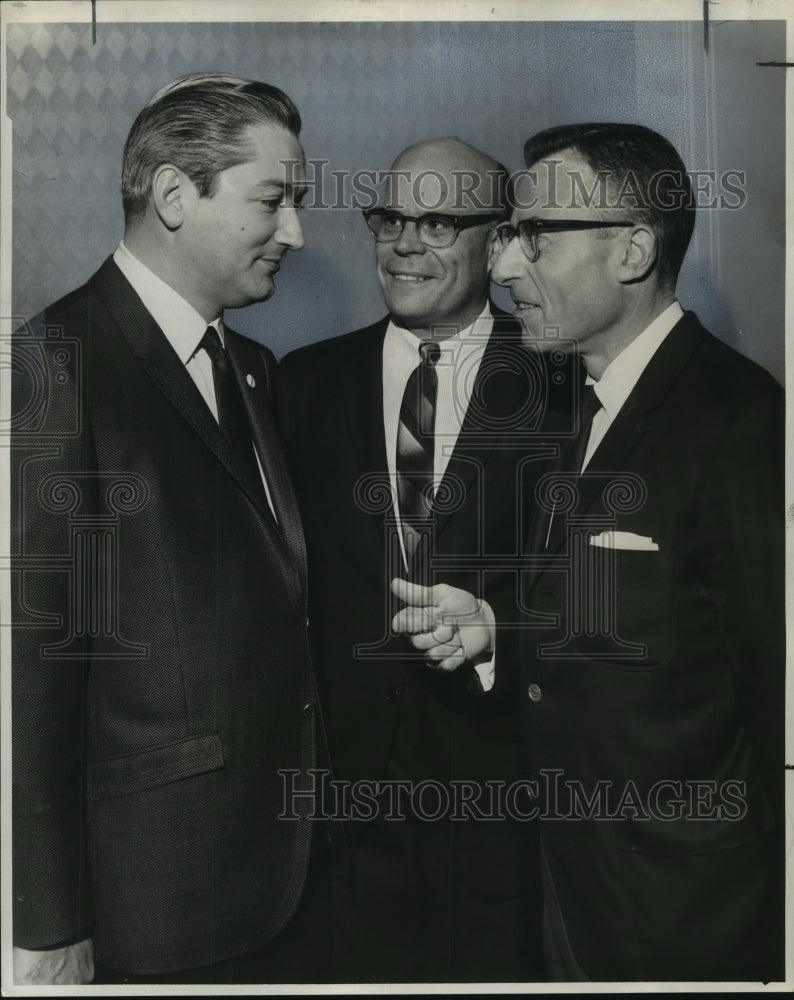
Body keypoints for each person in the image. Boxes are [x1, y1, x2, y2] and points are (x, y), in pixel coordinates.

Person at [400, 122, 785, 982]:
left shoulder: (742, 423)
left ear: (634, 250)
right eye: (506, 238)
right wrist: (501, 627)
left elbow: (777, 700)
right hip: (571, 899)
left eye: (536, 237)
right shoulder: (579, 406)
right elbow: (656, 620)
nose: (502, 269)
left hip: (692, 922)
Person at [11, 72, 324, 985]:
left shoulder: (255, 367)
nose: (298, 232)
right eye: (273, 199)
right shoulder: (50, 365)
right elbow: (34, 670)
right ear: (174, 195)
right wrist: (48, 921)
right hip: (154, 901)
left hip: (285, 879)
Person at [279, 137, 567, 982]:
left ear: (499, 238)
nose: (404, 243)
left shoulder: (566, 384)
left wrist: (501, 634)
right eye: (390, 217)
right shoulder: (299, 384)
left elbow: (611, 592)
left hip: (511, 811)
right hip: (338, 827)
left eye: (437, 220)